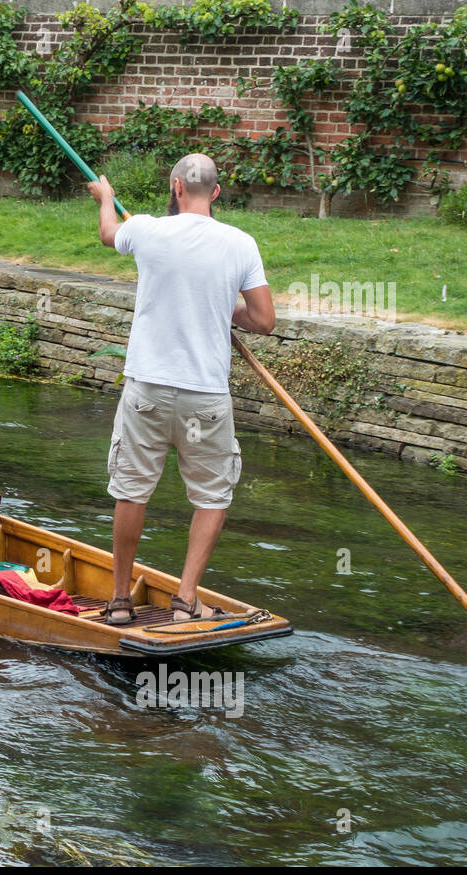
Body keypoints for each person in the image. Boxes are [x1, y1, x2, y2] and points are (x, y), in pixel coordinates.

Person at [87, 153, 276, 623]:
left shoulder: (147, 229)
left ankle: (119, 602)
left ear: (175, 188)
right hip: (204, 398)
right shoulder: (240, 243)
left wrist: (106, 198)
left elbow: (109, 234)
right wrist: (221, 308)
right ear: (215, 192)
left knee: (132, 491)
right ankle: (186, 600)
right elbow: (263, 320)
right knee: (212, 496)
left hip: (147, 389)